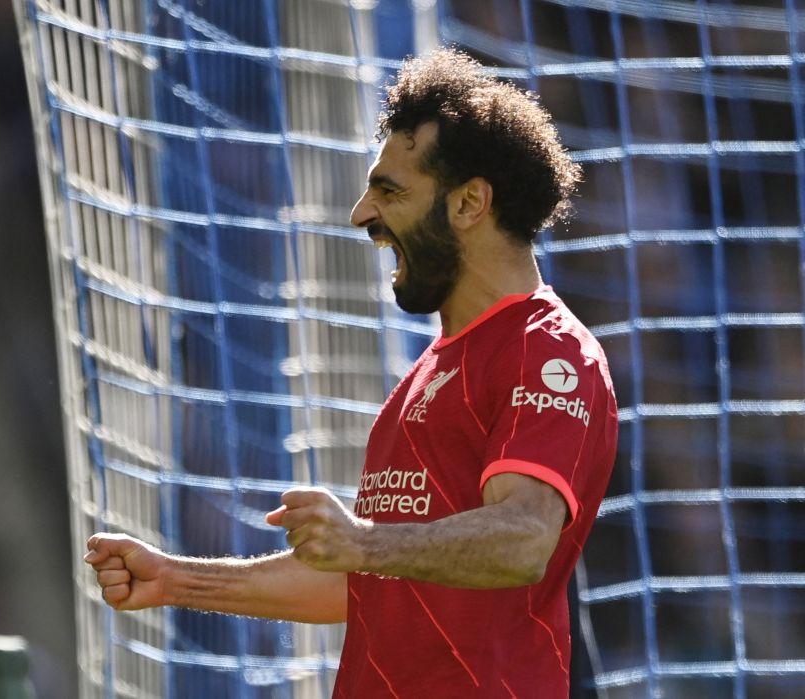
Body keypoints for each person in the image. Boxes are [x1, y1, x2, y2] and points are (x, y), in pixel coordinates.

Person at [85, 47, 618, 698]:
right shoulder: (427, 374)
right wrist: (176, 579)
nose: (362, 213)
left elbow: (523, 537)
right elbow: (362, 581)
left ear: (470, 203)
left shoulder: (547, 350)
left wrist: (364, 541)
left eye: (389, 190)